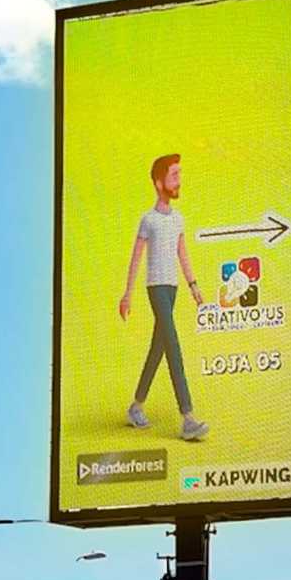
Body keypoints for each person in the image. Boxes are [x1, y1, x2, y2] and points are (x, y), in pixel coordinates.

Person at [120, 154, 209, 440]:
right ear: (159, 183)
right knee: (173, 347)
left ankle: (136, 407)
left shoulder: (179, 219)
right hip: (156, 288)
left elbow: (183, 253)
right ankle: (188, 418)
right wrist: (127, 294)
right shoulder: (148, 220)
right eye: (174, 175)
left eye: (180, 174)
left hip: (173, 289)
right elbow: (136, 258)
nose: (179, 180)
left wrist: (193, 285)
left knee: (157, 349)